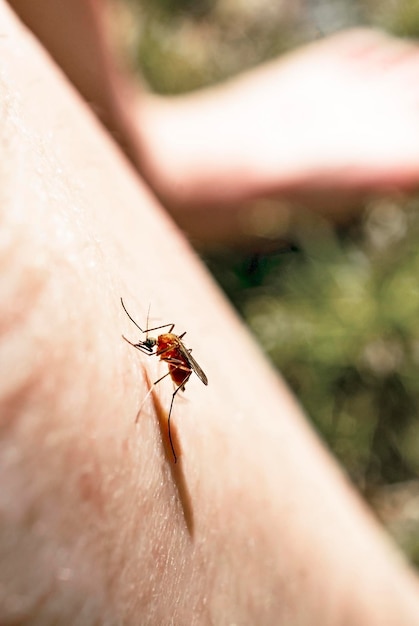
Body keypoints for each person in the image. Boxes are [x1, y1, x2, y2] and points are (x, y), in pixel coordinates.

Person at [2, 0, 419, 623]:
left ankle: (130, 147)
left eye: (164, 349)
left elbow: (169, 351)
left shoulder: (171, 357)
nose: (164, 350)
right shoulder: (166, 349)